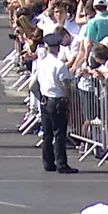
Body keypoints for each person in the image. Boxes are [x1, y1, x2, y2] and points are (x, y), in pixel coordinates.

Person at [33, 33, 77, 173]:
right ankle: (61, 164)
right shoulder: (60, 65)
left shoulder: (43, 63)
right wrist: (68, 99)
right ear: (58, 47)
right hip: (57, 100)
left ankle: (48, 162)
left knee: (47, 134)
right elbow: (66, 85)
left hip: (45, 99)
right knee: (59, 134)